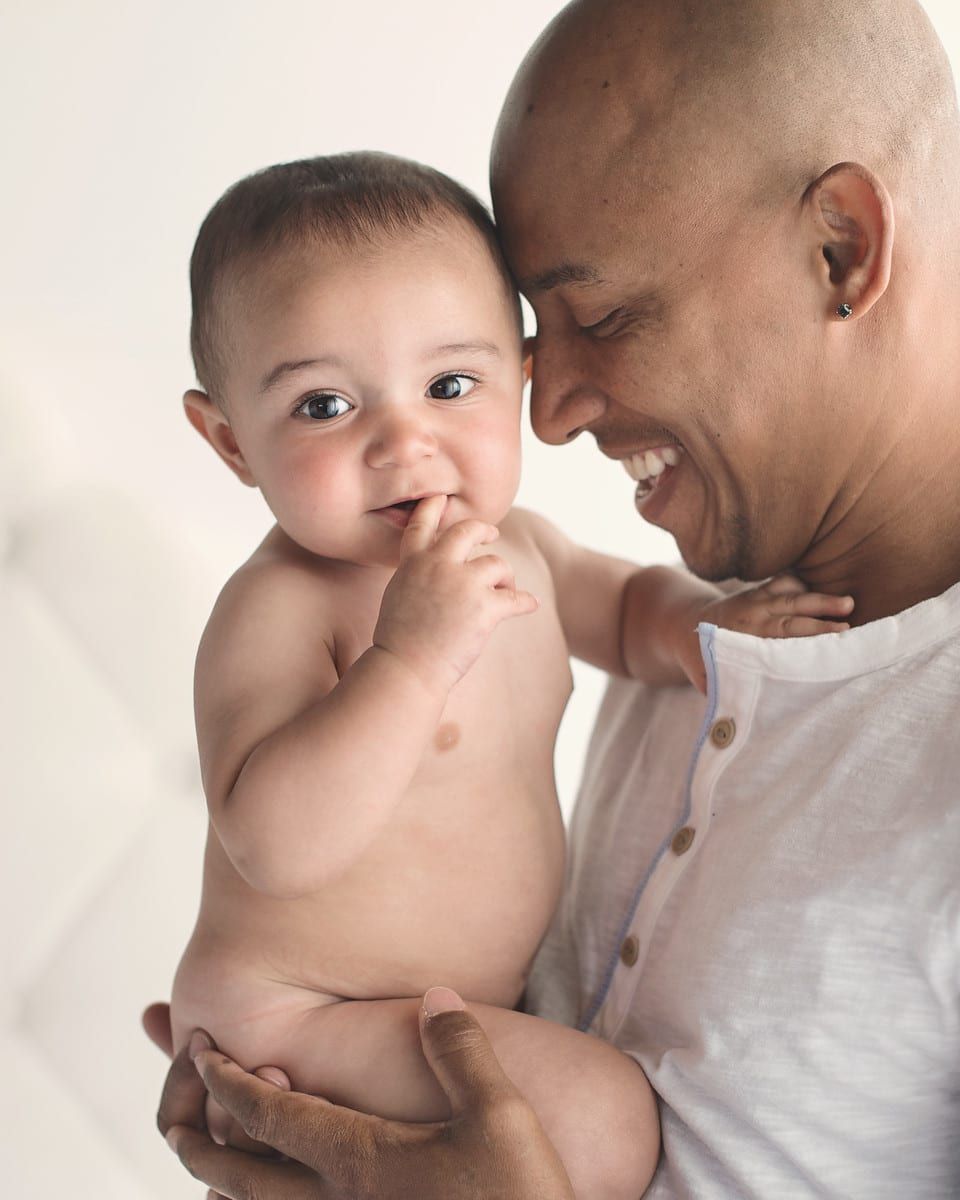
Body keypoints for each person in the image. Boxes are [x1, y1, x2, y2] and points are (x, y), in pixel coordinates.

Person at [154, 0, 960, 1196]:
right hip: (319, 1011)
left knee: (598, 1125)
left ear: (840, 248)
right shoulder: (305, 606)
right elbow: (270, 836)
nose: (547, 410)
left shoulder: (534, 564)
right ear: (229, 441)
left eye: (610, 313)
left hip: (421, 1030)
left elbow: (623, 610)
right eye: (325, 405)